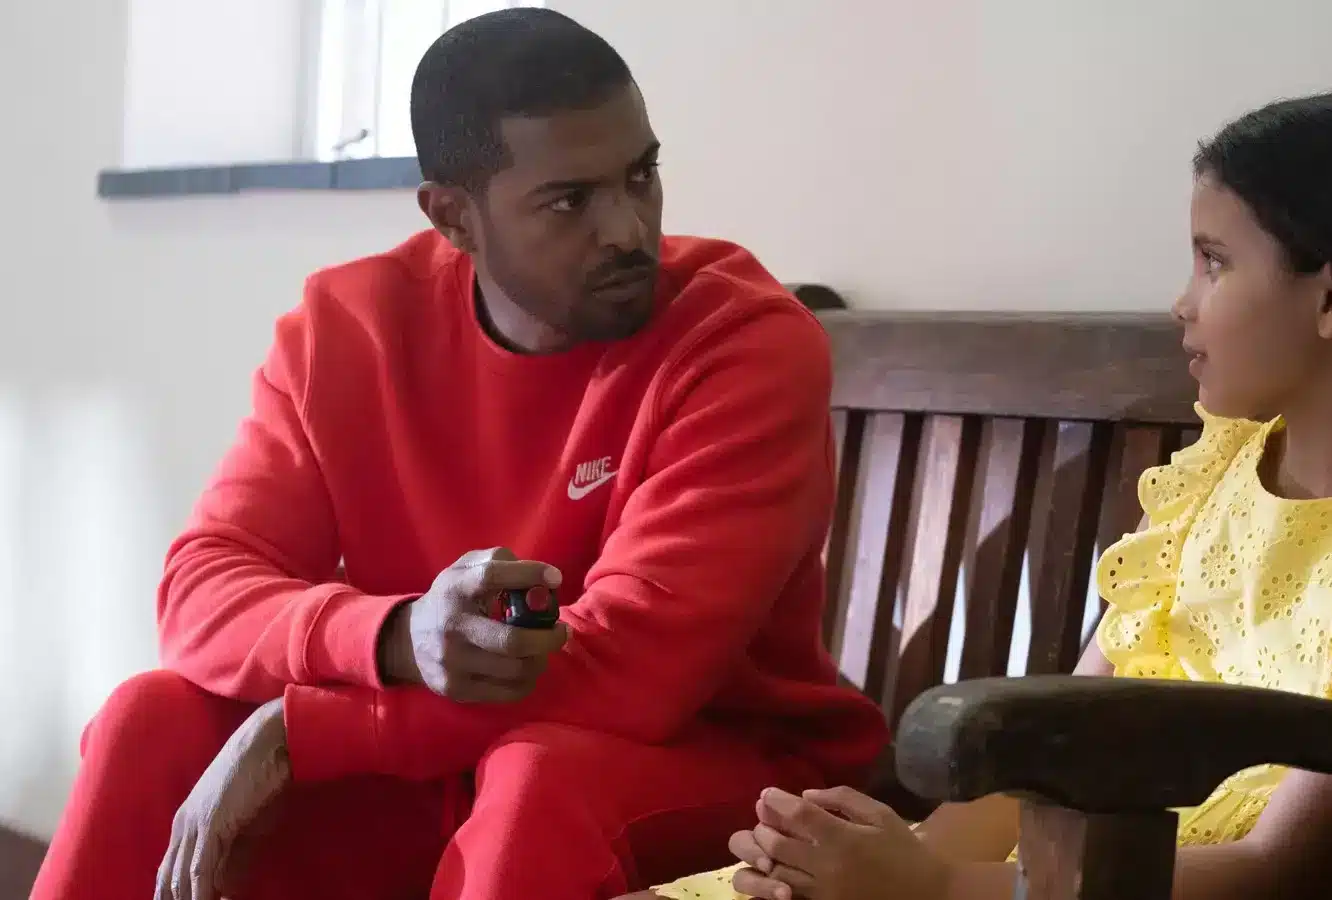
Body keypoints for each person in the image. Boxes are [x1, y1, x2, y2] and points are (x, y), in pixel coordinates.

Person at [30, 8, 889, 900]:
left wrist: (302, 730)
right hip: (447, 752)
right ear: (452, 217)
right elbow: (202, 589)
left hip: (720, 767)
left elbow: (632, 672)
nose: (629, 229)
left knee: (537, 778)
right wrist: (394, 637)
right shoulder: (348, 333)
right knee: (151, 720)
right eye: (571, 200)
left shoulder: (742, 344)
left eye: (642, 175)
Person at [645, 87, 1332, 900]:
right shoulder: (1214, 479)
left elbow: (1283, 869)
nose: (1183, 302)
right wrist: (886, 863)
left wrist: (934, 890)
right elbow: (1060, 743)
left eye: (1214, 261)